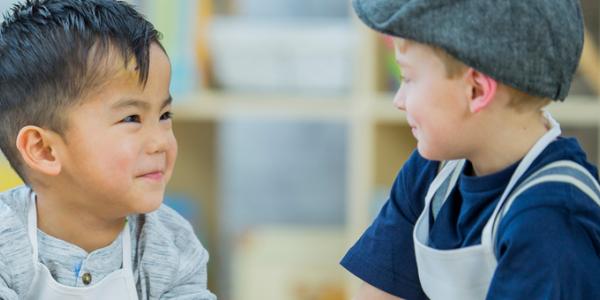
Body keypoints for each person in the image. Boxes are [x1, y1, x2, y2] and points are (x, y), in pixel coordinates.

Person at [341, 0, 600, 299]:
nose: (399, 100)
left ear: (476, 90)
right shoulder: (433, 171)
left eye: (409, 78)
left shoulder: (550, 221)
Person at [0, 0, 216, 299]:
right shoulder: (6, 241)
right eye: (131, 118)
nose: (160, 142)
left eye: (164, 116)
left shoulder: (172, 244)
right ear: (44, 149)